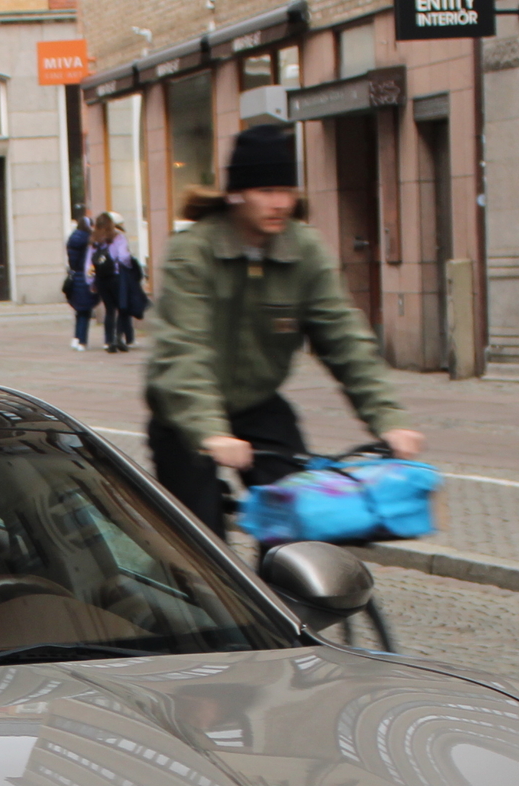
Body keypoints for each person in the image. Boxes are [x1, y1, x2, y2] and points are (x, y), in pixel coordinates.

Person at [145, 122, 425, 535]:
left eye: (287, 191)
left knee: (299, 520)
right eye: (266, 191)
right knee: (199, 542)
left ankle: (284, 593)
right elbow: (184, 352)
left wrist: (389, 419)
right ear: (237, 193)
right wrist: (211, 433)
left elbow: (344, 338)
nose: (280, 203)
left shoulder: (304, 250)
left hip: (259, 406)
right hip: (184, 414)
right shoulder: (194, 252)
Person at [90, 213, 139, 353]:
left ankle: (108, 340)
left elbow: (89, 263)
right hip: (116, 277)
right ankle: (119, 337)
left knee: (109, 310)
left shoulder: (94, 240)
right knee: (122, 308)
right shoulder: (118, 238)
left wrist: (91, 281)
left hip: (101, 279)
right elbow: (124, 257)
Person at [63, 212, 96, 351]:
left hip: (75, 276)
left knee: (79, 311)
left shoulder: (73, 239)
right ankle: (82, 340)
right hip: (85, 277)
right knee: (84, 311)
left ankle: (76, 338)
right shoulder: (88, 241)